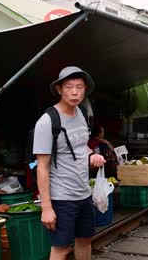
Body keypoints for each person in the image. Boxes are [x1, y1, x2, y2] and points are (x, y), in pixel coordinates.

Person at [33, 66, 106, 260]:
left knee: (85, 240)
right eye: (69, 87)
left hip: (83, 193)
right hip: (61, 197)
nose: (75, 92)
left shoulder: (81, 113)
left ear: (85, 90)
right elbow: (42, 167)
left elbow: (82, 146)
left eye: (79, 87)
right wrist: (46, 207)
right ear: (59, 89)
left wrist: (92, 156)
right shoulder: (47, 122)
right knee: (61, 248)